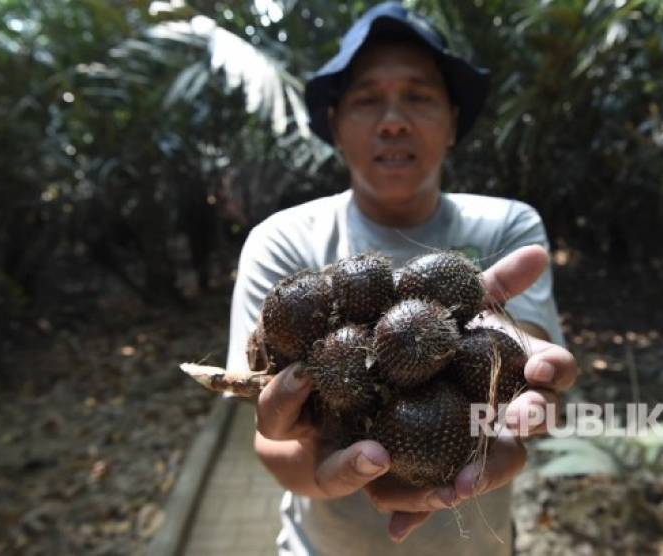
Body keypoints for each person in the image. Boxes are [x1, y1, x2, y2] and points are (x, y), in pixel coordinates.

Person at [225, 2, 578, 554]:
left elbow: (525, 363)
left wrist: (524, 376)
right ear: (335, 125)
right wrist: (319, 469)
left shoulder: (510, 224)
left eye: (418, 95)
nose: (393, 120)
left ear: (453, 121)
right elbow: (270, 436)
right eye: (367, 100)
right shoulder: (283, 240)